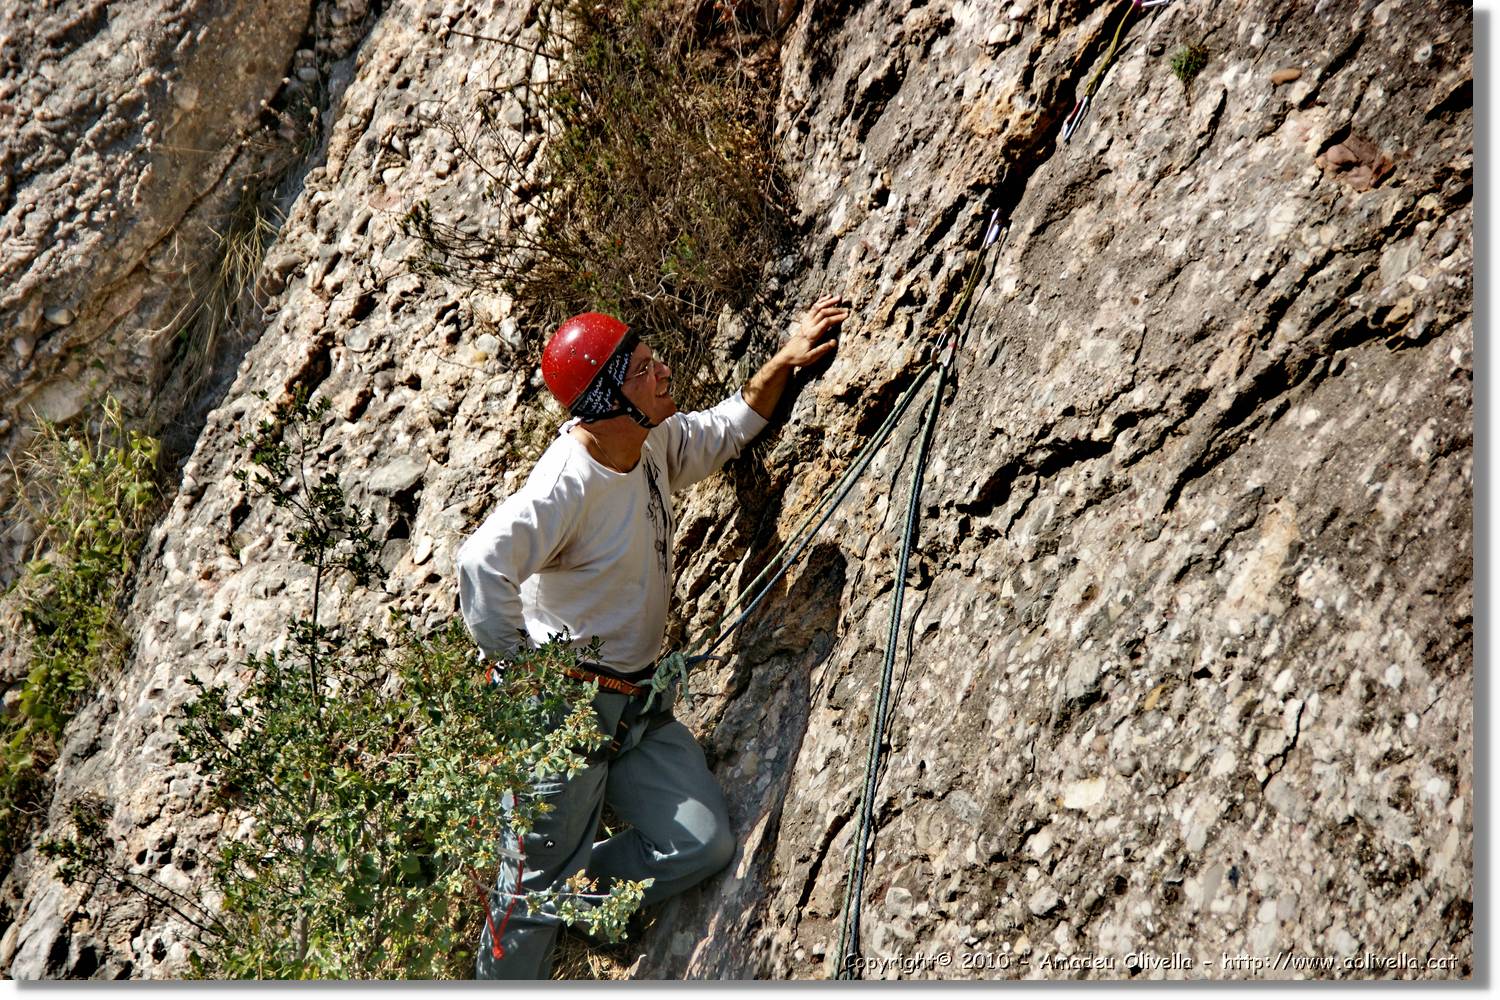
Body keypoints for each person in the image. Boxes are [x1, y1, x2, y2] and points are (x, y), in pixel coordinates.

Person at [455, 295, 849, 978]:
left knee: (701, 844)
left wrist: (786, 358)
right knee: (524, 899)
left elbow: (728, 426)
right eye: (641, 368)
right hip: (563, 713)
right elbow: (481, 563)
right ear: (608, 398)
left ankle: (576, 906)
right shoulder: (568, 482)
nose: (663, 370)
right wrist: (526, 681)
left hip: (633, 708)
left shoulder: (649, 442)